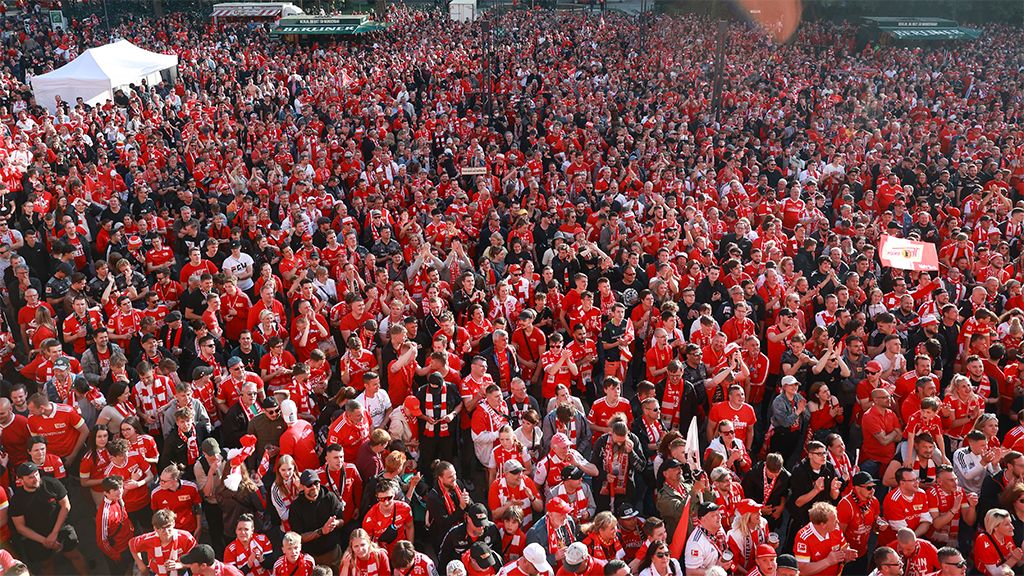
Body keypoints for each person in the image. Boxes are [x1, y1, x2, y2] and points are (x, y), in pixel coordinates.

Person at [10, 461, 89, 575]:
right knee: (46, 564)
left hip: (60, 527)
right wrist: (45, 540)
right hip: (37, 536)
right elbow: (20, 527)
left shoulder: (52, 483)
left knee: (74, 555)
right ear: (21, 481)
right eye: (30, 477)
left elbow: (65, 505)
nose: (36, 479)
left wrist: (54, 533)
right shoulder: (17, 500)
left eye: (36, 474)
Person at [289, 469, 345, 569]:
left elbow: (342, 521)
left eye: (316, 483)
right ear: (302, 487)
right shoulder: (296, 507)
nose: (314, 487)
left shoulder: (330, 497)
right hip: (311, 557)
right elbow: (298, 538)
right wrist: (321, 531)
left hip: (332, 553)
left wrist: (335, 523)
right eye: (309, 485)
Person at [129, 509, 198, 576]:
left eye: (168, 526)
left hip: (180, 572)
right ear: (155, 528)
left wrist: (180, 565)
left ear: (173, 523)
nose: (166, 531)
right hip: (156, 573)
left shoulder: (186, 537)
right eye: (161, 528)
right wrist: (142, 566)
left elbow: (197, 558)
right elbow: (131, 544)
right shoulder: (148, 539)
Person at [181, 544, 245, 576]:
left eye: (191, 563)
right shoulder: (197, 574)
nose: (189, 565)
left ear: (203, 566)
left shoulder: (230, 572)